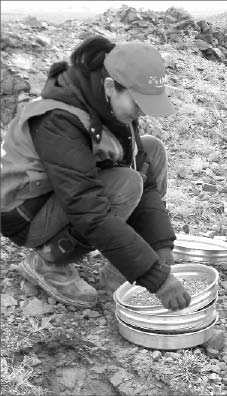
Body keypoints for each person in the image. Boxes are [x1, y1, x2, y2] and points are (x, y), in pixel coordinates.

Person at [1, 36, 191, 312]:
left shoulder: (109, 105)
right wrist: (157, 279)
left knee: (151, 149)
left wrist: (160, 244)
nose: (141, 114)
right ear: (111, 86)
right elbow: (88, 208)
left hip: (60, 193)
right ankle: (49, 261)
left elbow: (144, 174)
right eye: (138, 104)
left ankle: (125, 260)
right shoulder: (57, 118)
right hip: (24, 212)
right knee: (126, 184)